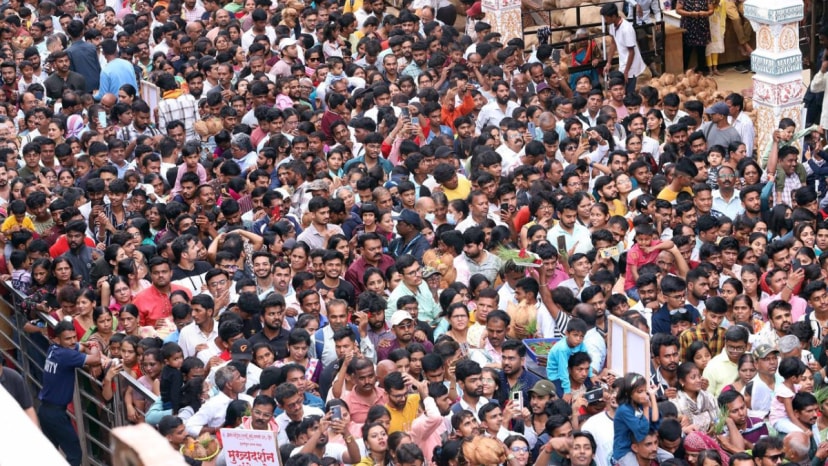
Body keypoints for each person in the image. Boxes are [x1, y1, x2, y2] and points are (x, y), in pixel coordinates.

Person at [38, 320, 102, 466]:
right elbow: (95, 358)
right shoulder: (66, 355)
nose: (73, 341)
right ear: (57, 339)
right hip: (55, 414)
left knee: (51, 452)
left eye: (74, 337)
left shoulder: (54, 349)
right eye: (68, 338)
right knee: (75, 454)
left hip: (47, 410)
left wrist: (85, 346)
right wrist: (93, 345)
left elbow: (80, 346)